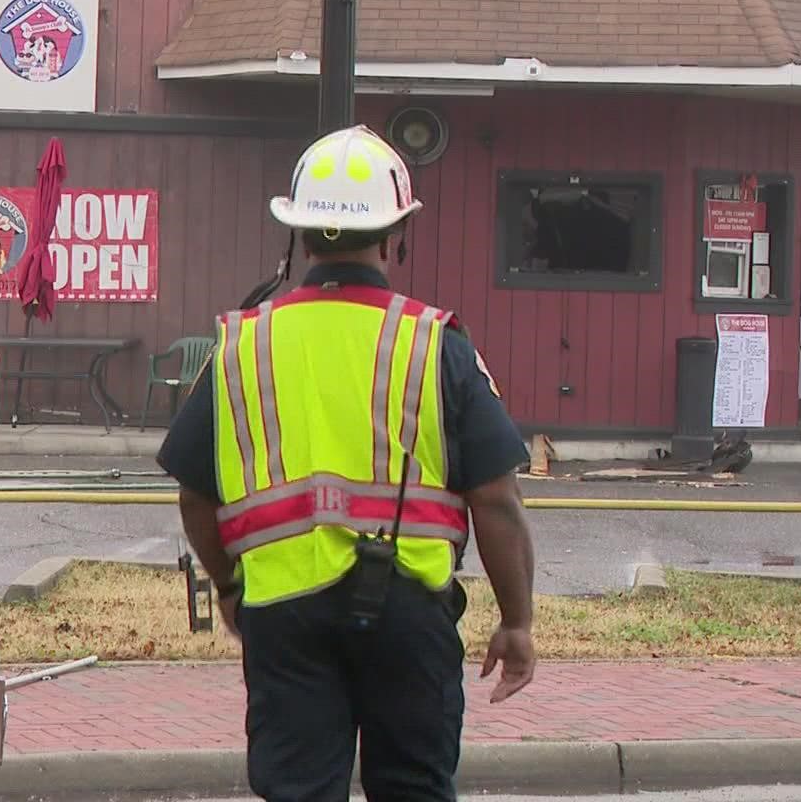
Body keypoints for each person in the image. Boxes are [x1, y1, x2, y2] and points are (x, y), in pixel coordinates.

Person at [156, 124, 539, 802]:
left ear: (298, 238)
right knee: (414, 788)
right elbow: (496, 498)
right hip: (409, 611)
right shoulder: (433, 345)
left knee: (298, 790)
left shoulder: (244, 346)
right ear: (396, 236)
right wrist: (516, 620)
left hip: (283, 613)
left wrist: (227, 585)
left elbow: (195, 495)